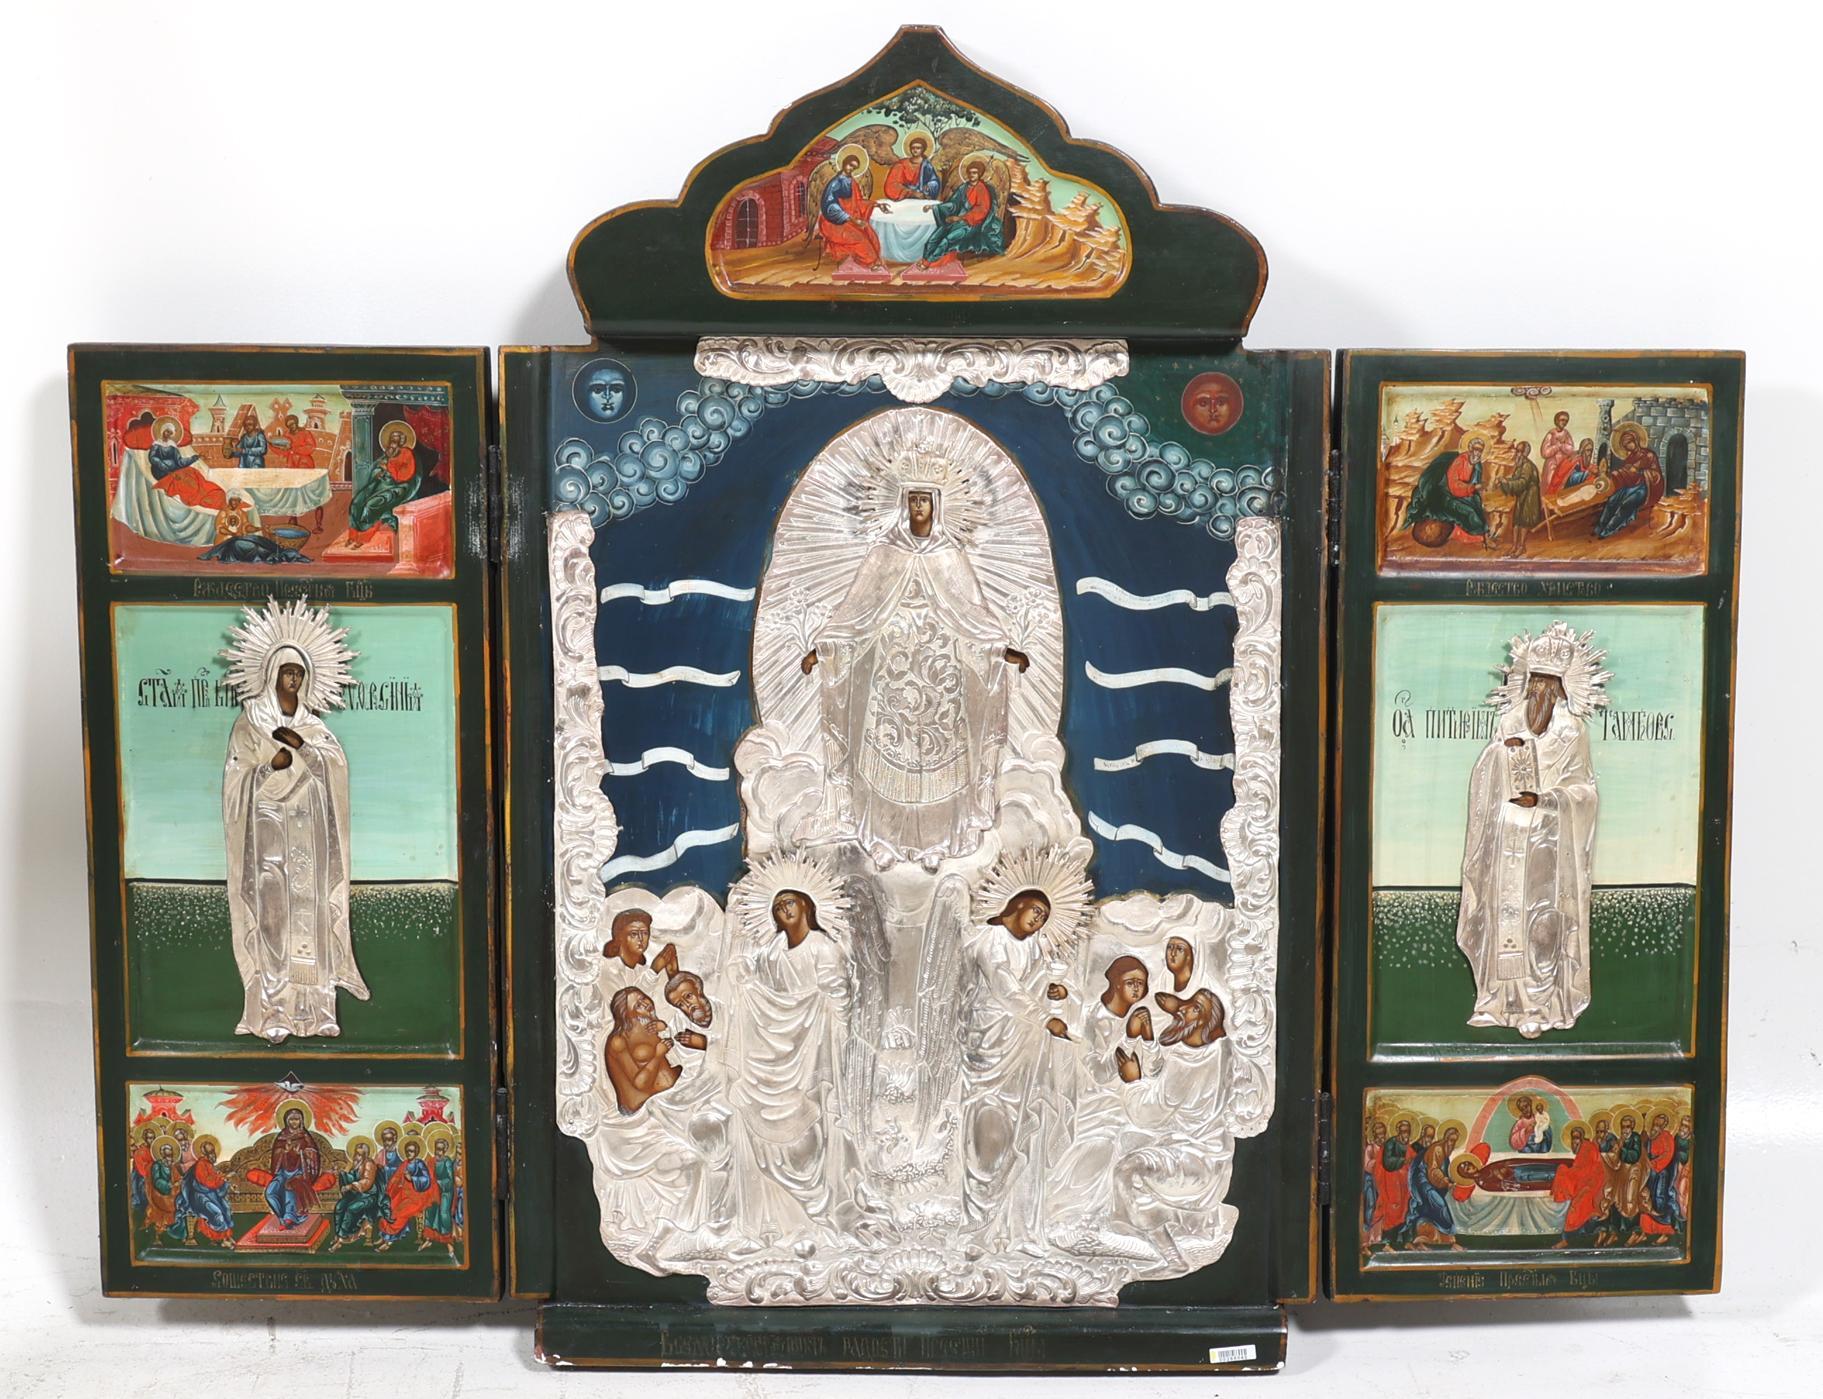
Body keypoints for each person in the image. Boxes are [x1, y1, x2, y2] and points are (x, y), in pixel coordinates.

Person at [802, 481, 1024, 870]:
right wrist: (822, 650)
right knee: (887, 759)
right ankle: (882, 840)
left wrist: (1002, 650)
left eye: (925, 500)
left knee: (940, 765)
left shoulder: (949, 556)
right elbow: (857, 612)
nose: (919, 506)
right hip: (892, 677)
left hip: (940, 680)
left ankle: (936, 842)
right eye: (913, 499)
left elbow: (973, 616)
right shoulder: (884, 554)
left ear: (937, 505)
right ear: (903, 504)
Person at [1455, 625, 1599, 1037]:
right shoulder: (1510, 720)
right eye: (1533, 682)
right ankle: (1502, 1002)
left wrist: (1547, 799)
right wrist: (1502, 754)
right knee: (1504, 919)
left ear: (1560, 688)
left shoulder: (1573, 731)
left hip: (1548, 844)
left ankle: (1540, 1005)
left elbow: (1584, 791)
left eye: (1546, 684)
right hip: (1506, 838)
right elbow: (1488, 770)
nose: (1538, 692)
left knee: (1542, 925)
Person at [222, 639, 367, 1041]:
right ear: (272, 675)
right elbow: (236, 780)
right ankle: (274, 1010)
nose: (294, 679)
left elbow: (333, 769)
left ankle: (317, 1010)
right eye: (288, 672)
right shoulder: (251, 722)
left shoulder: (313, 728)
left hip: (309, 831)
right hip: (268, 833)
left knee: (312, 915)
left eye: (300, 673)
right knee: (273, 919)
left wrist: (303, 746)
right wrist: (270, 766)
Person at [726, 888, 854, 1234]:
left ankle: (825, 1194)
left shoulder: (823, 947)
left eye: (790, 903)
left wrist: (828, 1018)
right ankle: (786, 1204)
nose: (784, 909)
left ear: (807, 907)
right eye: (778, 906)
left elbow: (839, 996)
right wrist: (742, 972)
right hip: (776, 1045)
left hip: (812, 1045)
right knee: (763, 1112)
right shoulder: (772, 951)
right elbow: (753, 975)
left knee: (814, 1115)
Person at [958, 890, 1074, 1242]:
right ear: (1017, 904)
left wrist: (1056, 993)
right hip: (989, 1045)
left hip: (1023, 1048)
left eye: (1045, 917)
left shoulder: (1036, 946)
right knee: (987, 1125)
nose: (1039, 920)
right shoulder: (989, 940)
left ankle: (1006, 1218)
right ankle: (977, 1210)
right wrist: (1044, 1017)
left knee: (1016, 1126)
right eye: (1036, 910)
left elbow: (1039, 982)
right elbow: (1004, 985)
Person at [604, 985, 682, 1114]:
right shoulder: (618, 1041)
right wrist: (657, 1056)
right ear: (627, 1014)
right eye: (638, 1006)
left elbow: (677, 1056)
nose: (646, 1005)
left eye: (643, 998)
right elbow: (640, 1084)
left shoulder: (651, 1026)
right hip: (646, 1106)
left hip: (674, 1092)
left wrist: (666, 1030)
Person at [346, 421, 423, 549]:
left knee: (371, 505)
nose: (393, 443)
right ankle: (353, 535)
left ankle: (363, 537)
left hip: (399, 488)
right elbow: (376, 469)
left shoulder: (407, 454)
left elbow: (404, 475)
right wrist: (378, 473)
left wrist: (388, 468)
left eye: (396, 440)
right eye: (391, 440)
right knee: (357, 502)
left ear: (401, 441)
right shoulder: (388, 453)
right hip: (381, 484)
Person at [919, 159, 1006, 269]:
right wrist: (934, 207)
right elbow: (954, 204)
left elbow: (982, 210)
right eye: (970, 172)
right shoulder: (963, 187)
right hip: (955, 220)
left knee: (947, 240)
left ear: (979, 174)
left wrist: (960, 218)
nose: (971, 175)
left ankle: (928, 263)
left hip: (971, 223)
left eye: (974, 173)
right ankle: (925, 259)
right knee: (934, 238)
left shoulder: (981, 189)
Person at [1403, 437, 1490, 546]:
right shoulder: (1459, 461)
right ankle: (1481, 537)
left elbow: (1475, 482)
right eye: (1475, 449)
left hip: (1464, 493)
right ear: (1470, 448)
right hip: (1446, 494)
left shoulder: (1477, 465)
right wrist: (1473, 487)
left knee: (1476, 505)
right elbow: (1454, 485)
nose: (1477, 453)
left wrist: (1476, 488)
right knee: (1469, 513)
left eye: (1480, 450)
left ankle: (1484, 535)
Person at [815, 146, 885, 270]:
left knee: (869, 232)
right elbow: (830, 207)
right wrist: (853, 220)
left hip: (851, 218)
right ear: (844, 163)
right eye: (850, 165)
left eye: (854, 167)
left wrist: (876, 204)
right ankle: (871, 263)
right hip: (835, 222)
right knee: (859, 238)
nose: (851, 168)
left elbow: (857, 202)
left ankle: (872, 260)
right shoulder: (835, 183)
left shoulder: (851, 182)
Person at [1594, 425, 1666, 538]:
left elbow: (1656, 476)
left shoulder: (1648, 455)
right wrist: (1611, 475)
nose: (1628, 446)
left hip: (1646, 488)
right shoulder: (1630, 458)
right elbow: (1626, 474)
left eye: (1629, 442)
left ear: (1635, 440)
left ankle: (1609, 530)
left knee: (1627, 503)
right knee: (1613, 499)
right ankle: (1600, 527)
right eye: (1625, 445)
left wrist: (1641, 472)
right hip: (1632, 486)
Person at [147, 419, 228, 511]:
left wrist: (196, 457)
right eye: (166, 431)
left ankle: (211, 495)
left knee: (192, 473)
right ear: (162, 431)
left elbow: (180, 462)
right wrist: (164, 467)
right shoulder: (156, 445)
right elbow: (152, 458)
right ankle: (199, 498)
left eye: (170, 433)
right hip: (161, 472)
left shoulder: (172, 445)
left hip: (174, 470)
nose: (168, 434)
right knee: (184, 483)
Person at [262, 1106, 322, 1229]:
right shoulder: (282, 1136)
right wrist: (284, 1151)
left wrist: (302, 1153)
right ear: (286, 1120)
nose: (294, 1122)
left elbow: (313, 1154)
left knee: (289, 1186)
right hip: (283, 1172)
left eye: (297, 1119)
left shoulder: (305, 1136)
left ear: (301, 1120)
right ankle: (282, 1217)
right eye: (291, 1119)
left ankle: (289, 1217)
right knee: (270, 1193)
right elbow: (276, 1154)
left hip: (299, 1172)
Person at [377, 1137, 440, 1250]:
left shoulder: (419, 1164)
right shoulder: (404, 1164)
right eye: (407, 1151)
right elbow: (395, 1178)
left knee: (397, 1214)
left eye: (411, 1151)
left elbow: (426, 1180)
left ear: (416, 1152)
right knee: (389, 1209)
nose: (409, 1153)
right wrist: (390, 1188)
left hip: (416, 1196)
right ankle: (384, 1237)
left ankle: (389, 1242)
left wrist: (412, 1179)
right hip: (403, 1194)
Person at [173, 1136, 236, 1247]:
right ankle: (221, 1239)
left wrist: (224, 1180)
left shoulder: (209, 1164)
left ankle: (226, 1236)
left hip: (210, 1194)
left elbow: (214, 1178)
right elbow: (207, 1182)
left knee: (225, 1208)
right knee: (216, 1212)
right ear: (204, 1154)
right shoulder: (201, 1165)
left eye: (213, 1152)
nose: (213, 1155)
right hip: (199, 1196)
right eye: (210, 1153)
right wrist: (222, 1179)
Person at [1551, 1121, 1607, 1247]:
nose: (1575, 1141)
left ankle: (1566, 1240)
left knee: (1577, 1209)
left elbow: (1586, 1170)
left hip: (1592, 1185)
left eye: (1577, 1138)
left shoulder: (1588, 1147)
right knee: (1581, 1209)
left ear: (1582, 1137)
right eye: (1573, 1138)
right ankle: (1598, 1233)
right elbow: (1580, 1170)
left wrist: (1563, 1172)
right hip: (1586, 1184)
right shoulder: (1582, 1148)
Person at [329, 1136, 387, 1249]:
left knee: (351, 1208)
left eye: (360, 1154)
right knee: (340, 1206)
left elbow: (367, 1182)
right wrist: (341, 1173)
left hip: (369, 1196)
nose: (357, 1156)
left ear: (366, 1155)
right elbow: (350, 1176)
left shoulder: (369, 1164)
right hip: (357, 1194)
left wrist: (351, 1186)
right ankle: (338, 1234)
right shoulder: (355, 1163)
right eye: (356, 1153)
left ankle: (344, 1236)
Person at [1369, 1119, 1415, 1248]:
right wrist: (1403, 1161)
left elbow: (1413, 1159)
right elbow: (1387, 1163)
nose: (1406, 1134)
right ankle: (1388, 1242)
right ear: (1398, 1131)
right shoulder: (1390, 1144)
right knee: (1392, 1210)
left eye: (1408, 1132)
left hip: (1405, 1185)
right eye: (1403, 1131)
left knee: (1407, 1209)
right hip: (1391, 1184)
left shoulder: (1408, 1146)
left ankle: (1407, 1241)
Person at [1495, 440, 1544, 558]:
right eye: (1516, 451)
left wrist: (1506, 482)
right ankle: (1514, 546)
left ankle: (1521, 547)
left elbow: (1522, 482)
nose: (1517, 453)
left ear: (1525, 453)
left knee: (1524, 521)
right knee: (1516, 522)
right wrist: (1504, 482)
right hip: (1522, 495)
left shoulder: (1527, 466)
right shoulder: (1520, 465)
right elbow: (1515, 479)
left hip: (1530, 497)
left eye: (1519, 451)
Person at [420, 1132, 463, 1253]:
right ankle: (429, 1239)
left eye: (440, 1149)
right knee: (430, 1212)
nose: (438, 1152)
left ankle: (447, 1241)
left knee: (444, 1214)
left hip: (445, 1192)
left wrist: (438, 1183)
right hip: (433, 1192)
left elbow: (449, 1179)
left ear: (444, 1150)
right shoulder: (431, 1160)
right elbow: (427, 1176)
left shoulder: (447, 1161)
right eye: (436, 1149)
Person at [663, 969, 714, 1053]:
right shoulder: (678, 1024)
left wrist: (703, 1043)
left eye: (688, 996)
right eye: (680, 1004)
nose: (688, 1005)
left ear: (698, 990)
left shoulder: (724, 1010)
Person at [1646, 1110, 1681, 1230]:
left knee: (1659, 1194)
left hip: (1661, 1170)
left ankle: (1661, 1218)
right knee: (1648, 1194)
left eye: (1659, 1125)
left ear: (1663, 1125)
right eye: (1655, 1123)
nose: (1656, 1127)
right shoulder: (1650, 1137)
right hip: (1650, 1169)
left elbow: (1668, 1154)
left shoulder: (1667, 1137)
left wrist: (1655, 1164)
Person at [881, 131, 941, 201]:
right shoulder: (901, 164)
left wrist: (929, 186)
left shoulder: (927, 165)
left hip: (922, 198)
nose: (915, 150)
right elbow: (891, 185)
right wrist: (911, 193)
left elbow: (934, 181)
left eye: (918, 148)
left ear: (923, 149)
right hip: (904, 199)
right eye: (913, 148)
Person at [1540, 411, 1576, 486]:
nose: (1564, 422)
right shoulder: (1551, 434)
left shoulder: (1566, 434)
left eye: (1566, 421)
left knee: (1563, 483)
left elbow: (1571, 449)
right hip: (1551, 464)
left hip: (1563, 464)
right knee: (1550, 482)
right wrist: (1556, 447)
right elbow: (1544, 452)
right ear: (1557, 421)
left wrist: (1562, 446)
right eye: (1562, 420)